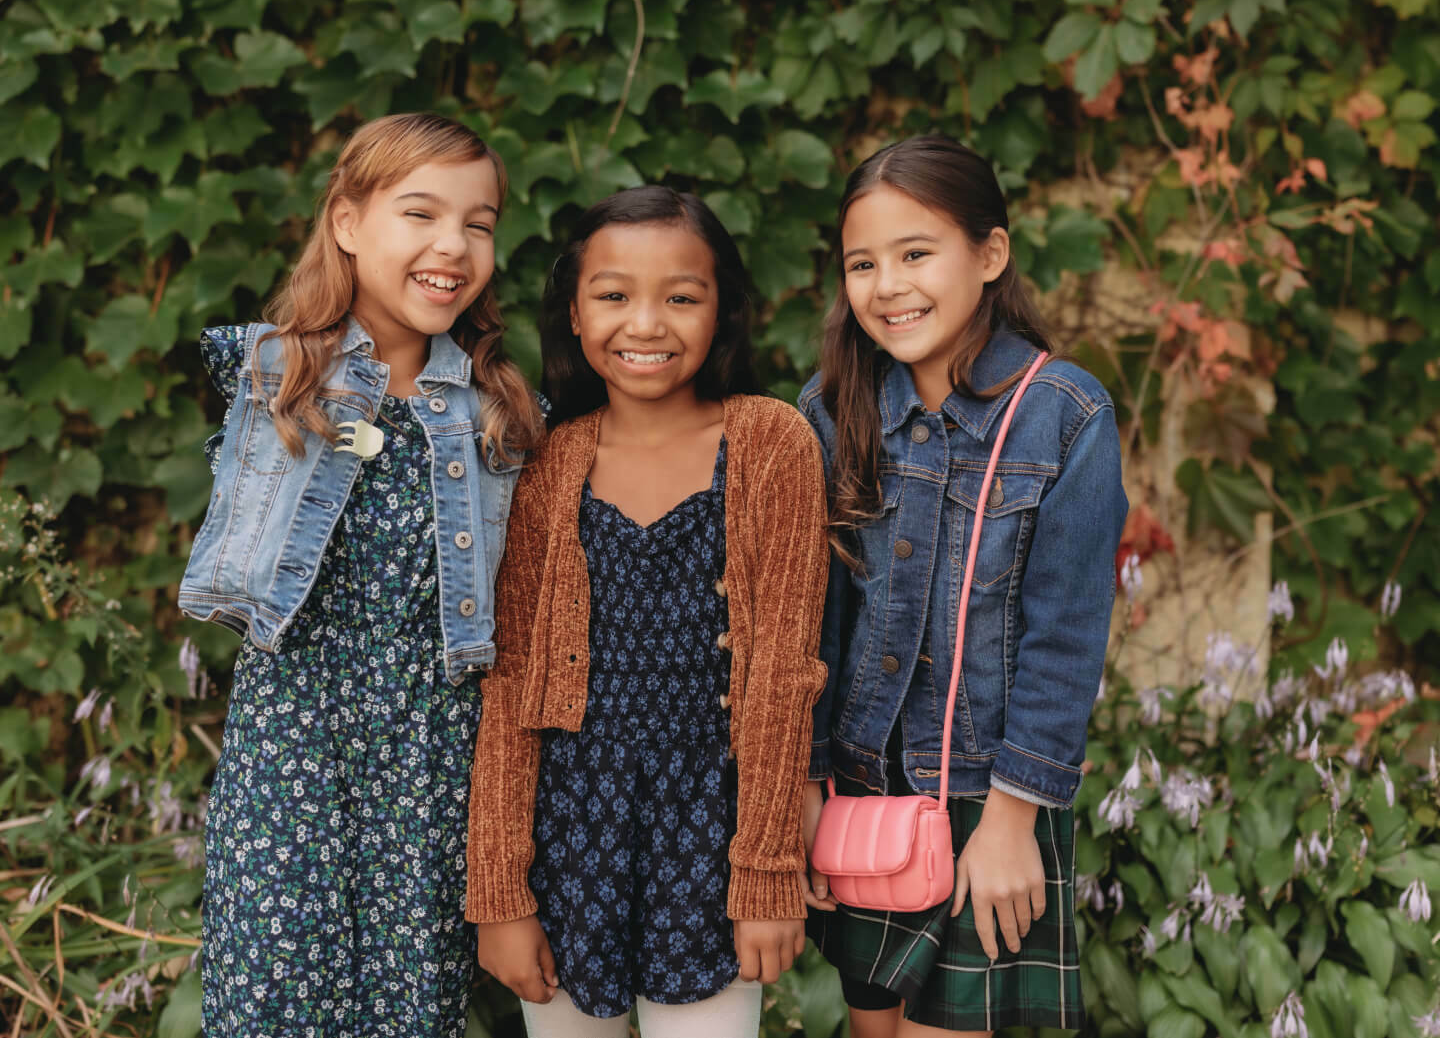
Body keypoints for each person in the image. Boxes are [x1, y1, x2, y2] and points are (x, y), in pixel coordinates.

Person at [180, 113, 544, 1038]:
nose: (452, 247)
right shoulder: (267, 374)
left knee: (408, 1016)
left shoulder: (505, 418)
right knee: (267, 1007)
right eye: (419, 213)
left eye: (479, 222)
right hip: (292, 749)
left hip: (431, 768)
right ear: (347, 220)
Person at [465, 186, 829, 1037]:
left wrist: (768, 871)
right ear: (576, 313)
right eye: (615, 294)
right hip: (568, 837)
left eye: (681, 296)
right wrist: (498, 893)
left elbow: (781, 674)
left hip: (713, 832)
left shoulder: (770, 444)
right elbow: (512, 685)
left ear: (723, 311)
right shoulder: (545, 467)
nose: (647, 323)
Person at [799, 134, 1128, 1037]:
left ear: (989, 253)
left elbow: (1066, 635)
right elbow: (814, 622)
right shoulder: (830, 411)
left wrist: (1015, 819)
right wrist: (810, 777)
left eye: (916, 253)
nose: (888, 284)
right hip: (867, 796)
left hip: (992, 798)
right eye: (862, 263)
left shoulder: (1063, 414)